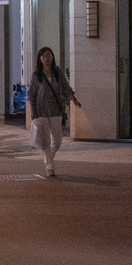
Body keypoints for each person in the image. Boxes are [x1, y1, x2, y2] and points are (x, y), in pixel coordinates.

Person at [28, 46, 80, 178]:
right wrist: (33, 112)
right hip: (41, 111)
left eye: (49, 55)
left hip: (56, 110)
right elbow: (32, 94)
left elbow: (66, 87)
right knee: (46, 141)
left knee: (57, 141)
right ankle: (50, 167)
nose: (47, 58)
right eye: (44, 56)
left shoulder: (57, 72)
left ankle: (48, 158)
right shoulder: (36, 75)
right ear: (40, 59)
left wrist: (73, 99)